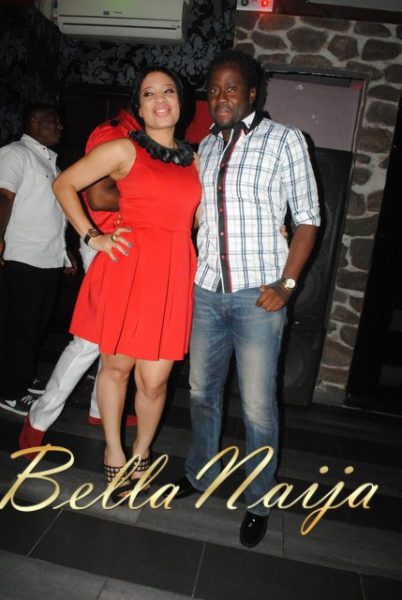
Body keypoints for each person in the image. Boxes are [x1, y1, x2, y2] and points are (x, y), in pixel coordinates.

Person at [172, 50, 321, 548]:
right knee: (201, 392)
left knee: (257, 407)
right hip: (206, 291)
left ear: (252, 92)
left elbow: (308, 219)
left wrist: (287, 285)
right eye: (214, 89)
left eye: (231, 87)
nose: (221, 97)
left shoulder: (285, 140)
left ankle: (258, 499)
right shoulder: (207, 146)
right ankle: (200, 473)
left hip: (260, 298)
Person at [51, 66, 201, 498]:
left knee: (155, 381)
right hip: (128, 269)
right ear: (139, 106)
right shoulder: (123, 149)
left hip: (173, 274)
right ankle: (114, 449)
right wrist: (92, 236)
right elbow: (64, 184)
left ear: (181, 103)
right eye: (149, 94)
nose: (159, 100)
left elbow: (202, 220)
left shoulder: (197, 161)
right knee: (116, 369)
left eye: (168, 91)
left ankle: (142, 451)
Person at [18, 110, 140, 452]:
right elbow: (98, 196)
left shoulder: (140, 135)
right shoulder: (114, 132)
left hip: (127, 244)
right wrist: (150, 198)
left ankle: (100, 409)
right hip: (107, 243)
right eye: (151, 94)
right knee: (90, 340)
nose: (160, 103)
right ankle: (39, 417)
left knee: (113, 336)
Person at [0, 103, 77, 415]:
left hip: (47, 258)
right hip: (23, 256)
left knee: (37, 325)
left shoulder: (49, 161)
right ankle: (10, 392)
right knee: (21, 327)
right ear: (32, 122)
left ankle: (21, 375)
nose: (59, 126)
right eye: (52, 121)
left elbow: (52, 214)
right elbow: (4, 196)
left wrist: (65, 251)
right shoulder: (15, 153)